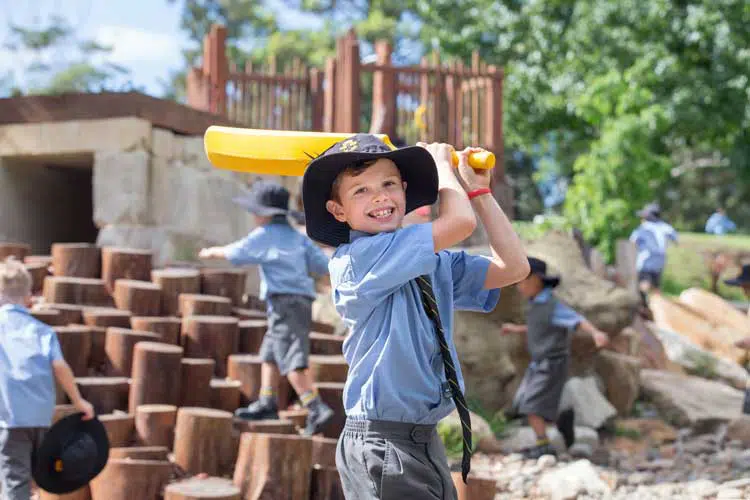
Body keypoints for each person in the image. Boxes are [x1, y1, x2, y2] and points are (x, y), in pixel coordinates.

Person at [301, 134, 529, 499]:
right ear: (338, 211)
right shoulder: (356, 258)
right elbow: (459, 225)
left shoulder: (431, 261)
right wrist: (440, 167)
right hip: (380, 440)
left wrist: (479, 193)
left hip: (423, 438)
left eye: (389, 184)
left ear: (405, 190)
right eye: (360, 191)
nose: (379, 196)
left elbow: (514, 266)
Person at [198, 181, 334, 435]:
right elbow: (322, 265)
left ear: (265, 214)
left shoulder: (265, 235)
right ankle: (268, 401)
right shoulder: (296, 236)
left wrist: (210, 253)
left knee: (292, 359)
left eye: (255, 212)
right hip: (296, 302)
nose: (253, 216)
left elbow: (236, 252)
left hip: (286, 303)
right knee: (270, 354)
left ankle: (315, 406)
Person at [0, 257, 95, 500]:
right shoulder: (42, 330)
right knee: (41, 472)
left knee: (15, 478)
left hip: (10, 418)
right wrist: (78, 401)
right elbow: (60, 366)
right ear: (28, 297)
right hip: (41, 415)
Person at [501, 257, 610, 458]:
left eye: (521, 281)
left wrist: (596, 333)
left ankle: (544, 445)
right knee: (532, 401)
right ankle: (563, 417)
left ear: (536, 280)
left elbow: (576, 320)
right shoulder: (536, 304)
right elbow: (540, 327)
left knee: (532, 405)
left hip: (552, 362)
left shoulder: (552, 305)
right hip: (541, 363)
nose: (518, 287)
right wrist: (517, 329)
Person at [629, 202, 678, 297]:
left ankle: (643, 304)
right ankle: (658, 304)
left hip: (646, 260)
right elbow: (675, 239)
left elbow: (632, 242)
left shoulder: (643, 227)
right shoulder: (665, 227)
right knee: (656, 286)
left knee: (644, 284)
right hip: (660, 261)